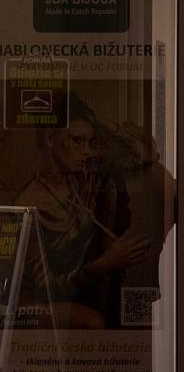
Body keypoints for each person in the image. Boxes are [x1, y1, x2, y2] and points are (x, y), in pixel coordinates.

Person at [14, 92, 149, 329]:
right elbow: (45, 288)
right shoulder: (29, 204)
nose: (86, 151)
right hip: (33, 301)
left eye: (90, 142)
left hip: (80, 286)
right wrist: (103, 265)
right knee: (94, 322)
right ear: (49, 139)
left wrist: (96, 123)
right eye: (77, 140)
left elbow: (141, 153)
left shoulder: (84, 176)